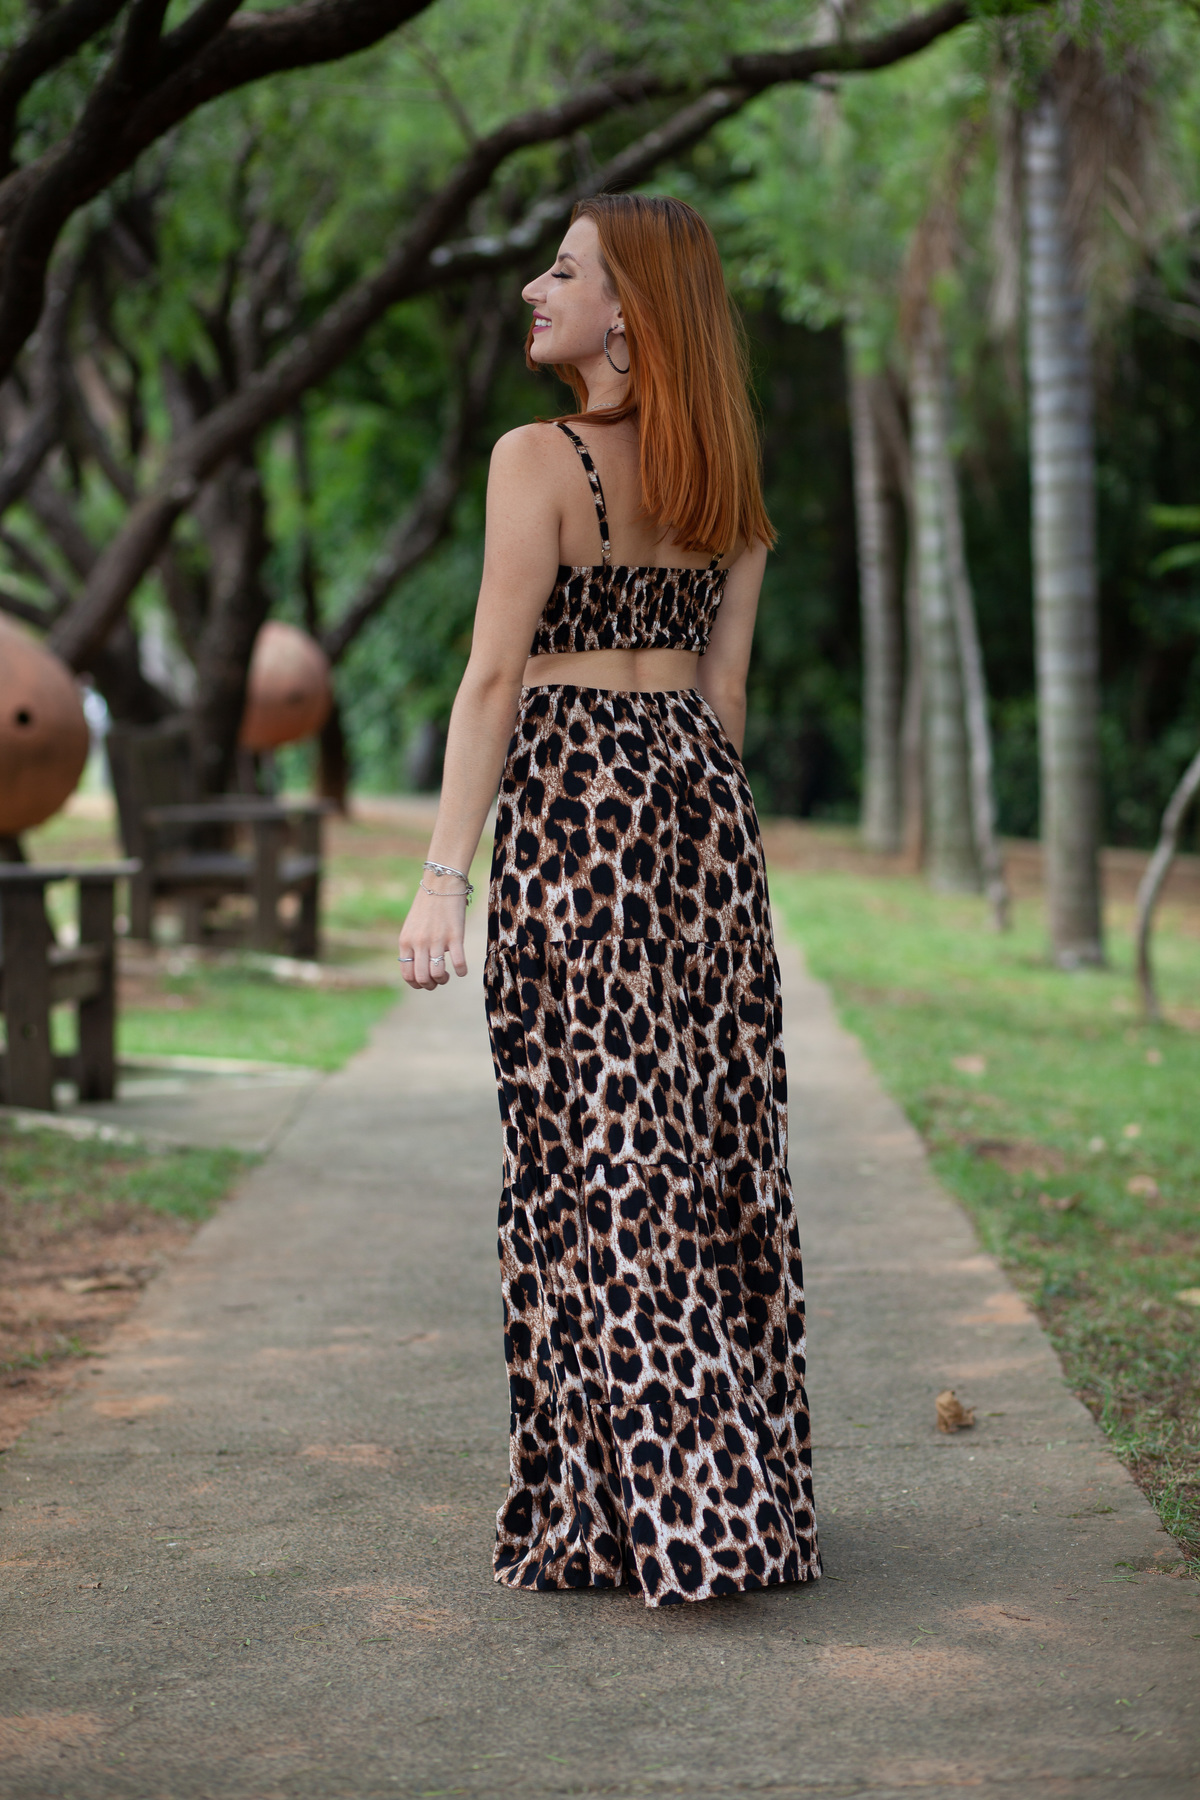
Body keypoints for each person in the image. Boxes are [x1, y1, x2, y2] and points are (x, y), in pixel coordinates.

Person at [398, 194, 819, 1607]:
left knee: (588, 1161)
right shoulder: (727, 475)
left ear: (631, 307)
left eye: (565, 269)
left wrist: (443, 879)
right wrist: (705, 853)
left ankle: (663, 1510)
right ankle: (719, 1491)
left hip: (578, 815)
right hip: (698, 818)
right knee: (698, 1153)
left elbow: (493, 680)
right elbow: (726, 695)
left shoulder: (536, 459)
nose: (536, 286)